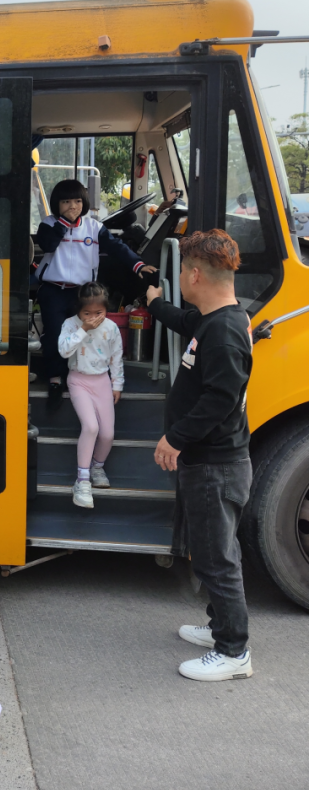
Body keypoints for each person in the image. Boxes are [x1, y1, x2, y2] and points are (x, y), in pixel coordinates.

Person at [147, 229, 254, 682]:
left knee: (216, 559)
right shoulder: (214, 319)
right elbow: (185, 322)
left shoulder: (226, 332)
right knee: (212, 550)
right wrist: (155, 305)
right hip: (208, 462)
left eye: (181, 272)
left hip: (215, 466)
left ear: (193, 274)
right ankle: (219, 628)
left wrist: (175, 438)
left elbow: (220, 399)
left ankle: (234, 652)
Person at [35, 179, 156, 407]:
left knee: (87, 335)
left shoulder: (93, 227)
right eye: (66, 201)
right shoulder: (49, 224)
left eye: (78, 201)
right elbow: (48, 245)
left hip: (83, 294)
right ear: (56, 204)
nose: (73, 206)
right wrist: (64, 223)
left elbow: (117, 247)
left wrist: (137, 265)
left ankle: (85, 376)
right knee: (54, 334)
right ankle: (54, 378)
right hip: (54, 291)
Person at [58, 281, 124, 509]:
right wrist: (83, 329)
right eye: (87, 313)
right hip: (78, 380)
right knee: (91, 427)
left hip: (102, 381)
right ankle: (82, 480)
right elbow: (64, 350)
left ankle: (97, 467)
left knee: (107, 434)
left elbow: (117, 357)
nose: (93, 317)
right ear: (78, 310)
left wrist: (117, 384)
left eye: (99, 312)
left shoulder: (112, 328)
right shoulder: (70, 324)